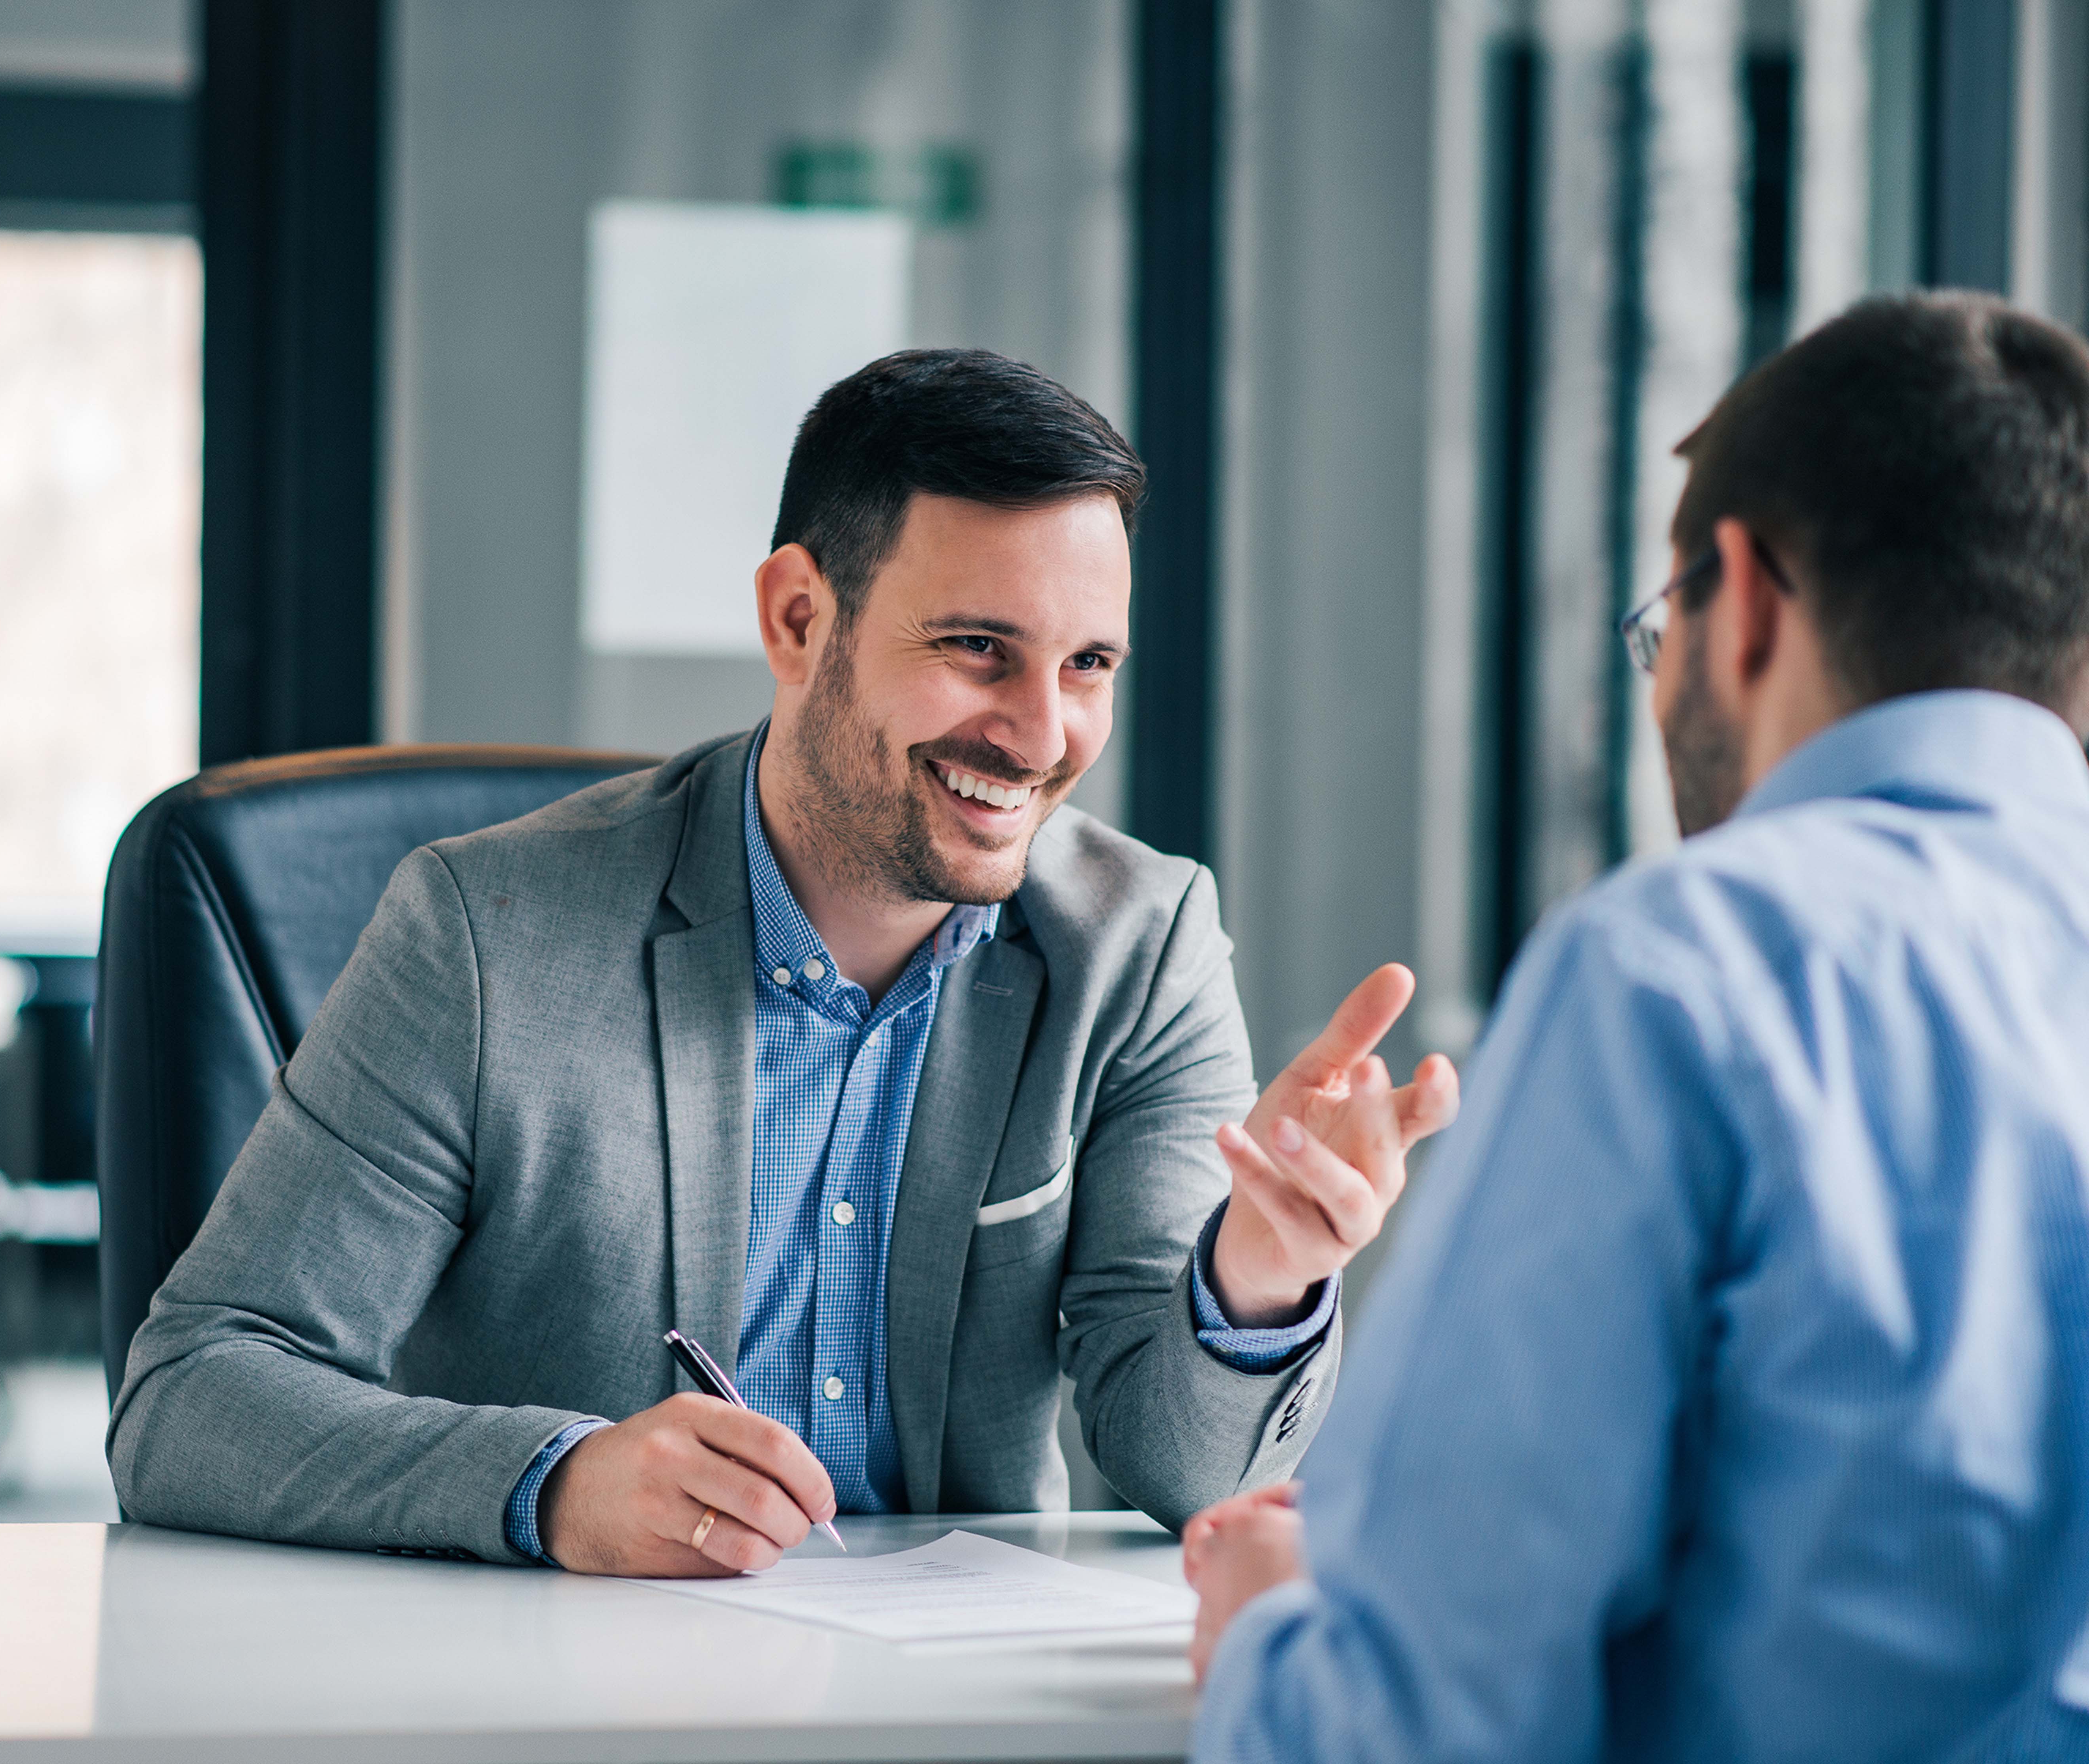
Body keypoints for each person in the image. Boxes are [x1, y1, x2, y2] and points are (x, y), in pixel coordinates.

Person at [110, 349, 1458, 1574]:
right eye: (979, 648)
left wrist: (1260, 1275)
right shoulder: (482, 933)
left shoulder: (1137, 948)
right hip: (568, 1705)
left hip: (951, 1715)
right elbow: (192, 1394)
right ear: (801, 621)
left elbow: (1186, 1469)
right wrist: (558, 1482)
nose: (1042, 734)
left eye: (1088, 663)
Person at [1184, 291, 2089, 1759]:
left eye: (1657, 624)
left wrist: (1275, 1626)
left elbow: (1419, 1729)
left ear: (1742, 599)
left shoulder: (1685, 972)